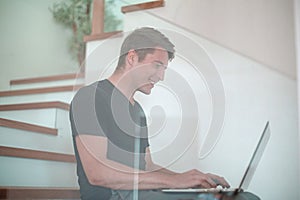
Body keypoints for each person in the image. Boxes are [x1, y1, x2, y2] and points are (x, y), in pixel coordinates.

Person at [69, 27, 260, 200]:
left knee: (243, 197)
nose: (161, 76)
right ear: (132, 58)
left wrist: (189, 178)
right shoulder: (90, 97)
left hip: (142, 194)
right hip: (113, 197)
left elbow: (147, 165)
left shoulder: (137, 111)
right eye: (157, 65)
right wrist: (174, 182)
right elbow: (97, 173)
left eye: (164, 69)